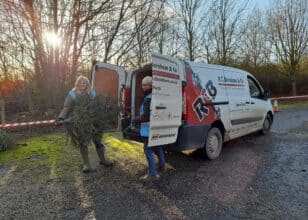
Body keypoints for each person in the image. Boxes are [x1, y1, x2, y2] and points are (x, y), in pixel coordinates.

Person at [56, 76, 113, 173]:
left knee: (97, 141)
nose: (82, 85)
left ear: (87, 84)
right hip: (81, 123)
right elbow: (67, 107)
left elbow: (97, 106)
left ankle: (103, 160)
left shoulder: (91, 93)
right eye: (80, 83)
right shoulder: (72, 94)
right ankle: (86, 164)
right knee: (83, 142)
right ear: (77, 84)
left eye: (84, 83)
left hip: (93, 121)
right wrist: (61, 118)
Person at [133, 76, 166, 182]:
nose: (143, 87)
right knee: (158, 146)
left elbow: (146, 116)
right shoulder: (157, 95)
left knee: (147, 150)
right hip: (157, 128)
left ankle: (152, 174)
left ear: (151, 85)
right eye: (142, 84)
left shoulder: (148, 98)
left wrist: (135, 119)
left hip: (148, 130)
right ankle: (162, 165)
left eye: (145, 85)